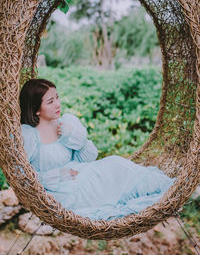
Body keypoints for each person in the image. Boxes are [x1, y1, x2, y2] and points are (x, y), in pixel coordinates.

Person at [20, 78, 175, 221]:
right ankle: (167, 190)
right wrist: (56, 176)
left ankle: (168, 189)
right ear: (36, 109)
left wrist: (73, 137)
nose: (58, 104)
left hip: (82, 175)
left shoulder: (66, 123)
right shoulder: (28, 136)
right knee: (114, 167)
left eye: (57, 97)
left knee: (114, 163)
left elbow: (90, 157)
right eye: (50, 101)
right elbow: (22, 178)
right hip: (64, 193)